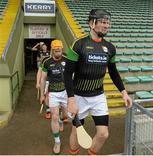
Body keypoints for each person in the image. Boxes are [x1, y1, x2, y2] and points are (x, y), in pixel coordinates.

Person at [64, 9, 132, 155]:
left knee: (103, 134)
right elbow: (67, 73)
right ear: (91, 23)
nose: (106, 25)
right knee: (76, 132)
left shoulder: (110, 48)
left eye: (108, 23)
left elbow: (113, 72)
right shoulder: (78, 45)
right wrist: (71, 100)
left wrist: (124, 92)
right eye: (102, 22)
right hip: (78, 97)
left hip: (98, 97)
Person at [40, 39, 68, 154]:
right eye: (55, 48)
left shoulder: (67, 60)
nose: (57, 49)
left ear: (62, 48)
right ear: (52, 49)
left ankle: (62, 120)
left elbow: (72, 76)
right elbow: (43, 78)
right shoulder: (46, 62)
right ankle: (57, 141)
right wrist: (42, 94)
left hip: (65, 92)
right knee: (54, 117)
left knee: (66, 116)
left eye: (59, 47)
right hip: (53, 94)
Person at [35, 42, 51, 119]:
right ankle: (48, 111)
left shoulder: (56, 59)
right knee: (47, 95)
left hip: (56, 82)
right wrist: (38, 82)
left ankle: (60, 113)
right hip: (47, 81)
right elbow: (39, 72)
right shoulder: (43, 62)